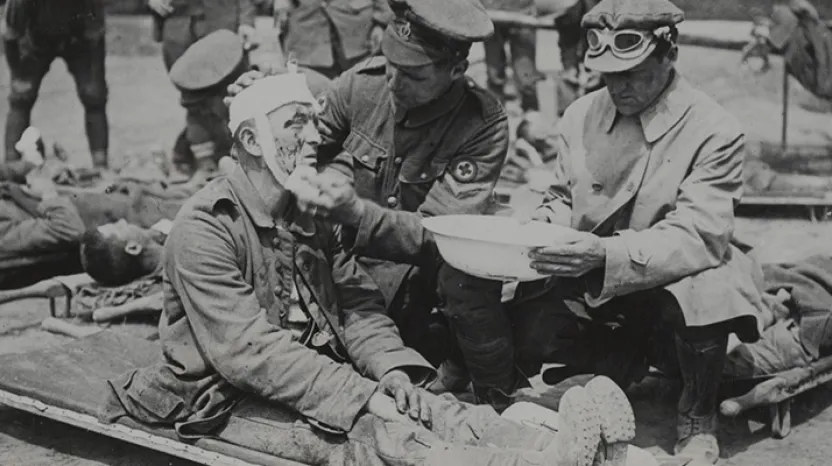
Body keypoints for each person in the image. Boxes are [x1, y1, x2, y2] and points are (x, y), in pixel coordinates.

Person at [100, 72, 638, 466]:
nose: (312, 135)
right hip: (222, 394)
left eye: (314, 121)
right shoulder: (205, 228)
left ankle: (557, 444)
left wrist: (392, 369)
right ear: (249, 142)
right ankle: (535, 463)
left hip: (310, 373)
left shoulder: (306, 212)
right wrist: (360, 392)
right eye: (295, 124)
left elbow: (356, 303)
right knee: (376, 438)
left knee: (426, 404)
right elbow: (248, 352)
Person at [502, 0, 768, 464]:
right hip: (598, 285)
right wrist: (545, 227)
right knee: (518, 315)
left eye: (632, 72)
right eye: (607, 74)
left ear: (669, 55)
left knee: (710, 285)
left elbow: (699, 234)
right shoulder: (580, 114)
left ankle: (698, 418)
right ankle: (603, 374)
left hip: (669, 287)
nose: (617, 86)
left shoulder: (715, 129)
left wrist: (604, 253)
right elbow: (564, 196)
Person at [228, 0, 522, 410]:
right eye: (390, 63)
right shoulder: (363, 83)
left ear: (456, 71)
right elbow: (308, 143)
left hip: (426, 270)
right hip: (357, 264)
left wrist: (356, 214)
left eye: (414, 74)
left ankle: (496, 396)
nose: (394, 82)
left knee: (468, 278)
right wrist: (263, 106)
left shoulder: (482, 124)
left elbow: (438, 236)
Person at [148, 0, 261, 177]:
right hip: (178, 24)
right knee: (192, 98)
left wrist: (246, 20)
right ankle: (203, 165)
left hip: (222, 23)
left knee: (233, 96)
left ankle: (232, 162)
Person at [2, 0, 109, 167]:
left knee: (94, 95)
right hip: (35, 41)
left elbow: (95, 36)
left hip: (77, 41)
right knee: (21, 97)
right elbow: (10, 35)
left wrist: (95, 78)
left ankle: (100, 162)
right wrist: (17, 73)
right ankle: (11, 163)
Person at [275, 0, 392, 80]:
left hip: (357, 30)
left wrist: (381, 22)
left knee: (365, 91)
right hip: (307, 34)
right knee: (312, 98)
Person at [481, 0, 541, 111]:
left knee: (526, 72)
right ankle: (495, 115)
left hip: (522, 11)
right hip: (491, 11)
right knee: (494, 72)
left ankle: (530, 114)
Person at [554, 0, 603, 115]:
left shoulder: (605, 10)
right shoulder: (566, 11)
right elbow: (567, 40)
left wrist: (602, 69)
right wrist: (569, 66)